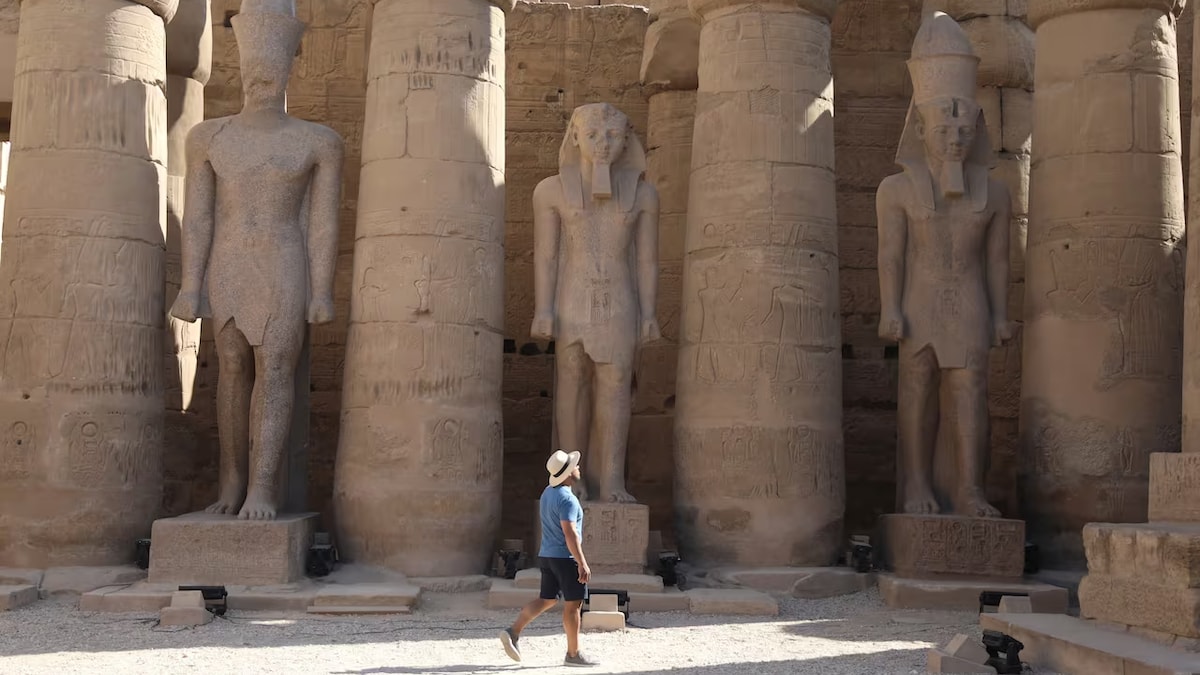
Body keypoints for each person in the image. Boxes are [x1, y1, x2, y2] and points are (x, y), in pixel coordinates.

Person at [499, 450, 598, 667]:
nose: (578, 467)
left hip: (547, 555)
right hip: (565, 557)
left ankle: (513, 631)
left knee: (548, 599)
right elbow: (570, 533)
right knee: (573, 605)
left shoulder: (547, 493)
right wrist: (582, 562)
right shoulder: (568, 499)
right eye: (575, 466)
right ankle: (573, 654)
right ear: (568, 473)